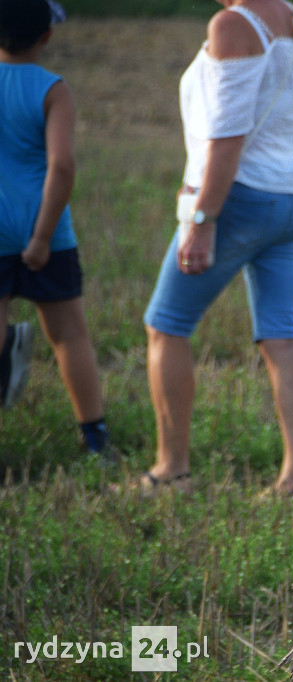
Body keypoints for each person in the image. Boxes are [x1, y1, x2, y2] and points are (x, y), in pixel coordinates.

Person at [140, 0, 293, 495]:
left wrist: (203, 217)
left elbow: (228, 133)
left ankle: (170, 470)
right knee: (284, 337)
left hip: (238, 197)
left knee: (166, 325)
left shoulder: (232, 24)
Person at [0, 0, 109, 454]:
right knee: (69, 336)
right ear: (47, 36)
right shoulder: (53, 89)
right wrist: (42, 236)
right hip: (46, 230)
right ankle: (95, 439)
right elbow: (61, 165)